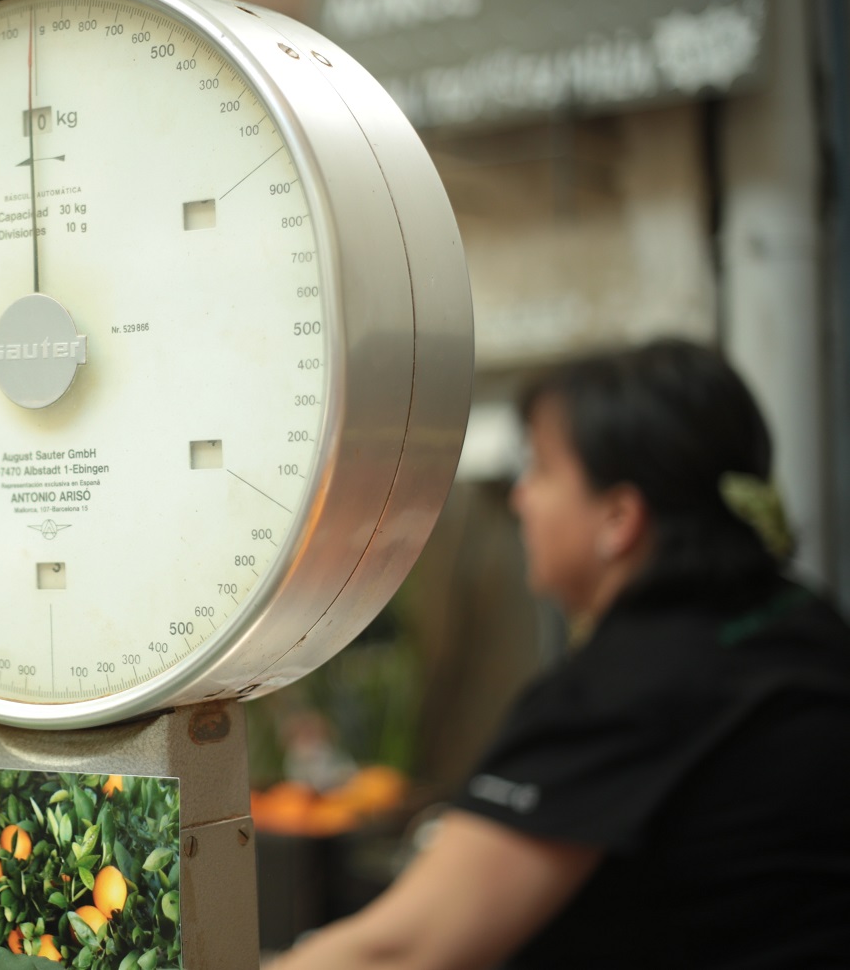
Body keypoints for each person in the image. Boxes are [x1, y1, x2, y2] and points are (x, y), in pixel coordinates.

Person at [272, 339, 850, 970]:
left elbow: (398, 952)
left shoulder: (624, 692)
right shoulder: (805, 623)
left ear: (619, 518)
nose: (521, 498)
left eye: (542, 471)